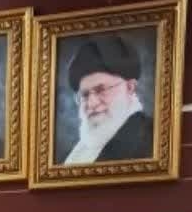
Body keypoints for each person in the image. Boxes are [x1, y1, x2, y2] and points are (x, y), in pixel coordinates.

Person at [63, 33, 154, 164]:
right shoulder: (78, 151)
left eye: (101, 90)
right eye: (85, 95)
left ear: (130, 87)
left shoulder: (151, 138)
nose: (91, 103)